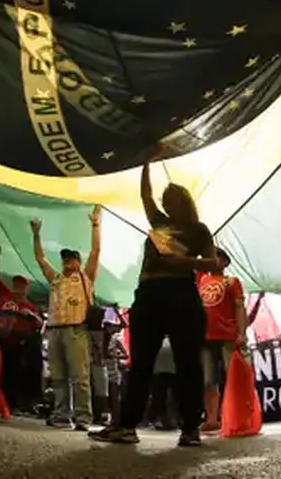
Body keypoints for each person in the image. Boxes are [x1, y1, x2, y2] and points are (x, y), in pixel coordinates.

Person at [90, 146, 218, 447]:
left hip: (182, 295)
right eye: (165, 200)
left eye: (172, 200)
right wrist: (146, 162)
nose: (166, 203)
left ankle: (191, 428)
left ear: (184, 202)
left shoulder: (198, 230)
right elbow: (145, 196)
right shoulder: (159, 223)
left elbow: (214, 263)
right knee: (141, 362)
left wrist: (185, 262)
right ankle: (126, 426)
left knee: (188, 362)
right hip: (148, 295)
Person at [31, 205, 102, 431]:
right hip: (55, 329)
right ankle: (62, 414)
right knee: (59, 375)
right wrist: (36, 235)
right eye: (65, 259)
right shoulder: (56, 279)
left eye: (71, 259)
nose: (67, 262)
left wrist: (95, 224)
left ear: (78, 262)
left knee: (80, 376)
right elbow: (40, 259)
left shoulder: (85, 277)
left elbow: (95, 251)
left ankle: (83, 417)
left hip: (76, 329)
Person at [196, 248, 246, 432]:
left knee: (233, 378)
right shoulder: (201, 279)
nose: (211, 259)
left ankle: (237, 417)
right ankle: (211, 419)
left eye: (216, 256)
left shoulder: (232, 282)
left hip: (228, 336)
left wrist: (241, 333)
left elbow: (240, 308)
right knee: (208, 380)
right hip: (206, 337)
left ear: (225, 261)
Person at [0, 243, 44, 413]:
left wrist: (30, 314)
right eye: (16, 284)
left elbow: (39, 323)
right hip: (0, 339)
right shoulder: (6, 295)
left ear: (27, 289)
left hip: (18, 343)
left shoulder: (29, 305)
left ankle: (10, 404)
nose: (18, 287)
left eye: (22, 285)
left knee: (13, 372)